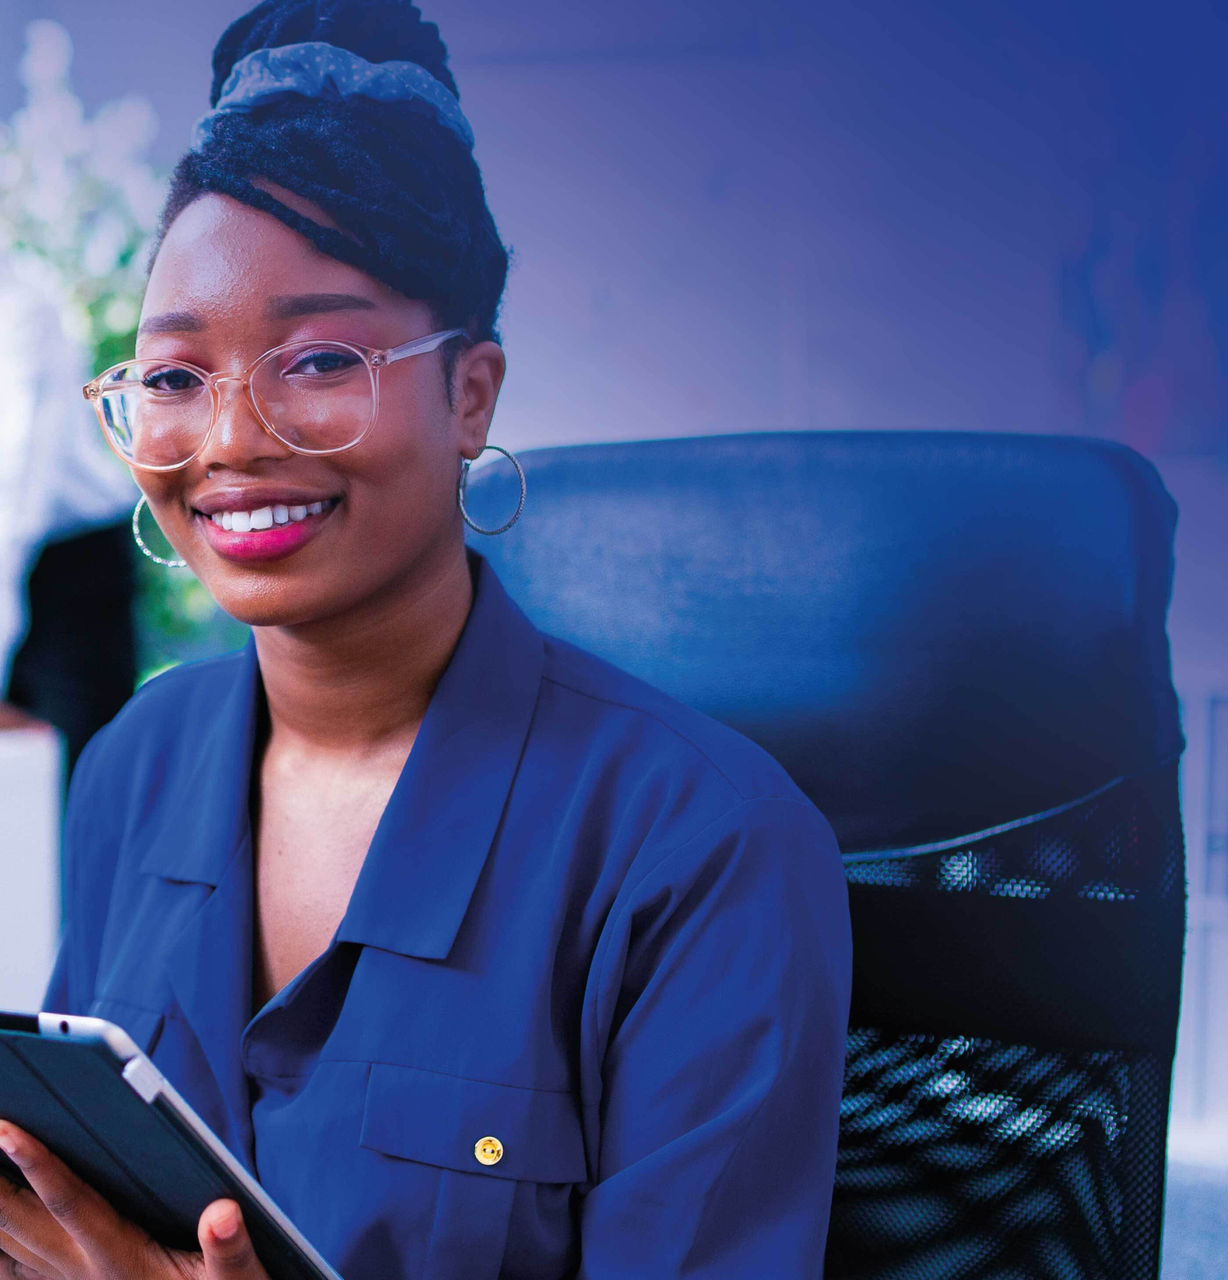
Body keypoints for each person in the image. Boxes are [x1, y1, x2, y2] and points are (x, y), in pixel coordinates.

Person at [0, 2, 852, 1277]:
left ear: (470, 392)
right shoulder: (136, 762)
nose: (228, 440)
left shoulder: (704, 845)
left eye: (319, 357)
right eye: (173, 375)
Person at [0, 253, 137, 779]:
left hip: (73, 566)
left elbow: (16, 494)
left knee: (83, 780)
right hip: (19, 554)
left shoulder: (20, 308)